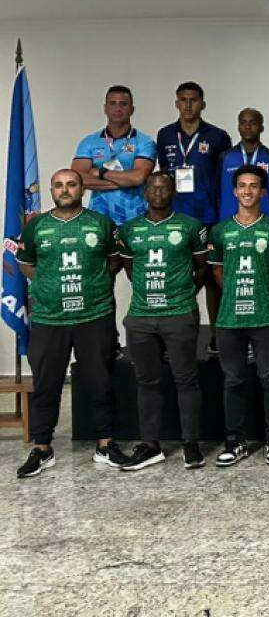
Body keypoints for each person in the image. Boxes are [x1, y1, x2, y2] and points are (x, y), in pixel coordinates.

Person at [16, 169, 130, 478]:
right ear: (52, 191)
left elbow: (114, 261)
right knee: (46, 383)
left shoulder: (100, 223)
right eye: (59, 185)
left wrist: (93, 285)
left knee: (100, 381)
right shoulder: (36, 226)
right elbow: (26, 264)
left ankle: (105, 445)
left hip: (94, 315)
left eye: (71, 184)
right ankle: (42, 448)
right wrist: (48, 285)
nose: (65, 190)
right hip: (49, 318)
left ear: (82, 189)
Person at [115, 172, 208, 472]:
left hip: (179, 314)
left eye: (164, 188)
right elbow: (130, 269)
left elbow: (201, 268)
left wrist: (182, 294)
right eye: (152, 188)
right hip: (141, 317)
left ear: (173, 192)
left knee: (186, 379)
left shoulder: (190, 226)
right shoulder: (130, 230)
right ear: (145, 193)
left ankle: (191, 444)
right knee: (147, 381)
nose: (158, 193)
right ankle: (150, 444)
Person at [208, 165, 269, 467]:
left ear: (263, 192)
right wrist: (234, 292)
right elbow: (216, 270)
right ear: (234, 191)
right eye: (241, 186)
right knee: (233, 379)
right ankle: (235, 440)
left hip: (265, 315)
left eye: (253, 186)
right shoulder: (220, 231)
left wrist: (264, 289)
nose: (247, 191)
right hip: (230, 318)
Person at [156, 81, 232, 344]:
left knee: (212, 276)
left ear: (203, 104)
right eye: (183, 100)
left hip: (209, 216)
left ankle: (215, 335)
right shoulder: (165, 135)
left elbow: (225, 179)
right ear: (176, 103)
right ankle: (176, 335)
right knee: (176, 275)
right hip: (175, 218)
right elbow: (163, 178)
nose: (188, 105)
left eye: (193, 100)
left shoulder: (218, 136)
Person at [71, 85, 156, 226]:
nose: (118, 109)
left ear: (132, 109)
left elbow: (139, 178)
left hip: (136, 216)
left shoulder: (145, 141)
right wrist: (125, 181)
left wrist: (100, 173)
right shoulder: (89, 142)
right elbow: (77, 179)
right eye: (112, 103)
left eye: (123, 104)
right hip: (99, 217)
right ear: (105, 108)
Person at [217, 108, 269, 222]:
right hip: (229, 222)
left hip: (265, 223)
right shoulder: (225, 158)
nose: (248, 127)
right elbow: (216, 192)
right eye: (243, 123)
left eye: (253, 123)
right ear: (238, 127)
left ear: (261, 128)